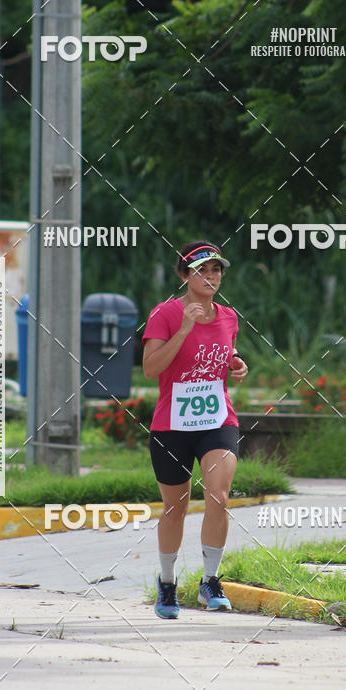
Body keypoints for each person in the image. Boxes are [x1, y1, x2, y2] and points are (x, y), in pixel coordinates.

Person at [142, 240, 249, 619]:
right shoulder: (165, 314)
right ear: (185, 275)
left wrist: (235, 363)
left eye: (217, 269)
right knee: (175, 508)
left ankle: (209, 580)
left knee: (218, 495)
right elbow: (151, 368)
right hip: (172, 425)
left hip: (217, 420)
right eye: (202, 269)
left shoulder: (229, 317)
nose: (211, 276)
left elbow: (221, 355)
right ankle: (168, 584)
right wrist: (184, 329)